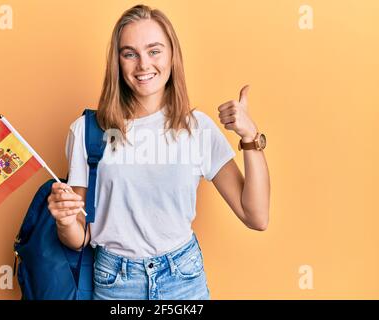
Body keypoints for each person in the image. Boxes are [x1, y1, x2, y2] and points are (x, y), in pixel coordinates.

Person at [47, 4, 270, 300]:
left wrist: (250, 137)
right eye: (130, 53)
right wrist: (65, 221)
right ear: (117, 62)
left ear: (172, 56)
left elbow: (256, 216)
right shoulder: (87, 131)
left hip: (183, 278)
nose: (143, 65)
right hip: (115, 283)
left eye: (154, 51)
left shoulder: (196, 128)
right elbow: (80, 238)